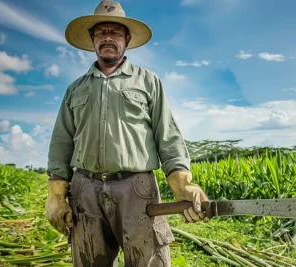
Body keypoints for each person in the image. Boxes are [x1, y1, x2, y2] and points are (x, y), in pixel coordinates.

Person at [45, 1, 209, 266]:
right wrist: (55, 196)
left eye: (115, 32)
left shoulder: (148, 81)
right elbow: (61, 142)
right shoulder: (75, 89)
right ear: (92, 38)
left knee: (148, 261)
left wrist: (182, 183)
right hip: (84, 189)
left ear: (127, 39)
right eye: (101, 32)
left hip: (136, 187)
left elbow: (167, 135)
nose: (107, 37)